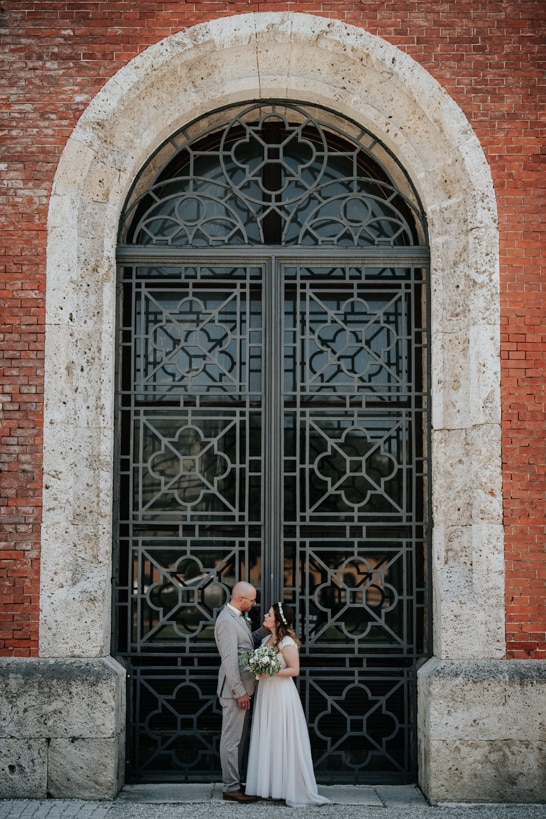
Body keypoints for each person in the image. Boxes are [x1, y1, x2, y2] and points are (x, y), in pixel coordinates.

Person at [245, 602, 330, 808]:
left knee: (281, 735)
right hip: (266, 692)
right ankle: (270, 786)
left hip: (281, 694)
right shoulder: (266, 639)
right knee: (269, 735)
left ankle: (288, 786)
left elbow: (294, 670)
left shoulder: (287, 643)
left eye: (269, 614)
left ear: (278, 620)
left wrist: (269, 673)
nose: (265, 615)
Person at [214, 580, 268, 803]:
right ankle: (230, 787)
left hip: (244, 688)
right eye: (252, 600)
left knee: (240, 739)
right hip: (233, 690)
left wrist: (268, 629)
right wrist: (239, 692)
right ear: (241, 599)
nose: (255, 604)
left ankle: (236, 782)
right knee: (231, 740)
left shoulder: (239, 618)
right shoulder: (226, 621)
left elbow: (247, 644)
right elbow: (229, 660)